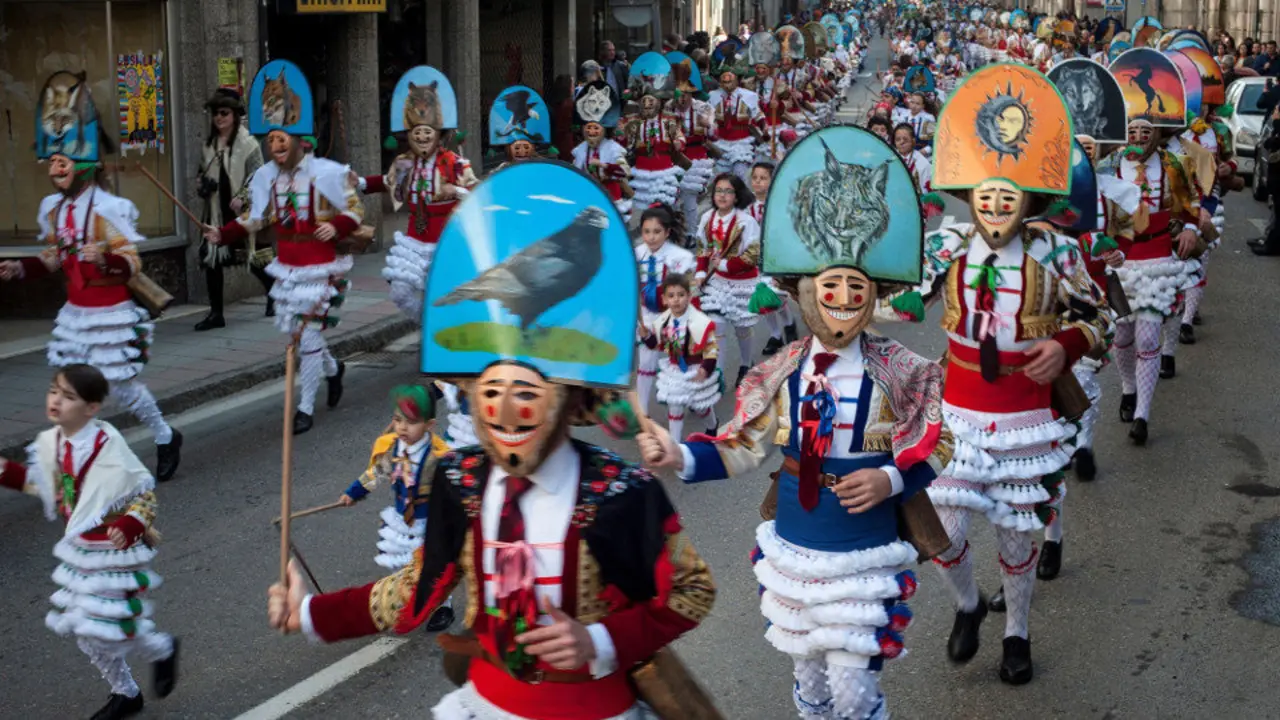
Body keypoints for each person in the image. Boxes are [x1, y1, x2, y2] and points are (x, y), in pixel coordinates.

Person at [266, 161, 717, 720]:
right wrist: (309, 614)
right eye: (489, 390)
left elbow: (690, 590)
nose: (504, 410)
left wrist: (598, 643)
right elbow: (416, 592)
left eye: (525, 392)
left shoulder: (621, 491)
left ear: (567, 399)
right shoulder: (460, 479)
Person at [639, 125, 952, 720]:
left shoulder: (904, 368)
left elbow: (943, 435)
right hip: (796, 542)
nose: (841, 295)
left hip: (865, 546)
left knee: (856, 692)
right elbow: (741, 444)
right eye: (828, 284)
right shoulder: (777, 370)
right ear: (805, 291)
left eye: (854, 285)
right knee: (809, 685)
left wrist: (890, 479)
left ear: (872, 295)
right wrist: (676, 455)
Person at [880, 65, 1112, 684]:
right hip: (957, 414)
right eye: (986, 190)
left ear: (1031, 198)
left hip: (1025, 419)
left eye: (1009, 192)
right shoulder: (948, 246)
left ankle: (1017, 634)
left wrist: (1067, 342)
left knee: (1016, 538)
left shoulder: (1055, 253)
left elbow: (1103, 319)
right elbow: (888, 292)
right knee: (940, 530)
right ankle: (967, 604)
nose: (996, 202)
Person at [1, 71, 182, 482]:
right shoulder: (53, 209)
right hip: (75, 314)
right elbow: (52, 258)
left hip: (110, 312)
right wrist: (20, 268)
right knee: (70, 390)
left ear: (83, 164)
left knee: (121, 390)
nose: (54, 169)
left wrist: (103, 259)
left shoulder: (108, 209)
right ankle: (77, 460)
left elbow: (131, 263)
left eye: (62, 162)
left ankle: (166, 435)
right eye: (51, 162)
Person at [1, 365, 179, 720]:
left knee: (108, 628)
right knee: (87, 629)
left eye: (69, 397)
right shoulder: (54, 444)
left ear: (91, 408)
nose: (56, 401)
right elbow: (45, 487)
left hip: (118, 553)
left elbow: (144, 496)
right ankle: (127, 691)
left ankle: (158, 652)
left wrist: (130, 523)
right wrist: (6, 471)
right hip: (82, 550)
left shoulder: (108, 448)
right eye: (54, 391)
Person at [203, 61, 361, 436]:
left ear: (300, 140)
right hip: (286, 267)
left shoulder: (324, 172)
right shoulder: (264, 178)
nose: (275, 146)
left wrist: (334, 225)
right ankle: (334, 370)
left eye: (282, 139)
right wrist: (221, 235)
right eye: (271, 139)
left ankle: (304, 407)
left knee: (305, 337)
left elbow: (356, 209)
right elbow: (255, 219)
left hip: (319, 267)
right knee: (301, 335)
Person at [1107, 119, 1202, 445]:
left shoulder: (1171, 164)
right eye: (1131, 131)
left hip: (1159, 259)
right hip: (1119, 261)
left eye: (1146, 132)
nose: (1138, 138)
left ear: (1157, 135)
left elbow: (1190, 202)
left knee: (1148, 339)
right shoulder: (1110, 163)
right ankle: (1128, 389)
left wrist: (1192, 228)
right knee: (1122, 334)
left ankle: (1142, 416)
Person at [358, 66, 478, 324]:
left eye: (427, 133)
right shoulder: (403, 162)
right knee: (401, 291)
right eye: (417, 134)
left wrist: (454, 190)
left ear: (438, 135)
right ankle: (430, 326)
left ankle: (442, 334)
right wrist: (357, 183)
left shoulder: (455, 162)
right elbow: (386, 182)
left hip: (446, 238)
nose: (422, 138)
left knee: (447, 292)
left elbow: (477, 193)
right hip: (415, 236)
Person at [338, 385, 456, 631]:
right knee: (405, 562)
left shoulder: (438, 456)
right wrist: (353, 492)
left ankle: (443, 607)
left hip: (429, 519)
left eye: (411, 422)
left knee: (432, 565)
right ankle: (411, 599)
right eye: (397, 420)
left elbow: (453, 486)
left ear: (429, 424)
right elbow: (377, 473)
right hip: (403, 518)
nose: (402, 427)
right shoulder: (392, 448)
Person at [194, 88, 271, 331]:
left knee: (254, 258)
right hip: (216, 211)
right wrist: (203, 186)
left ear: (235, 115)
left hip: (241, 211)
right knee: (211, 259)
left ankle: (275, 293)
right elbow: (201, 174)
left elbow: (259, 177)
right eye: (216, 113)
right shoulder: (209, 145)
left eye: (224, 113)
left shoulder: (249, 145)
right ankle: (216, 313)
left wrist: (243, 197)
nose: (219, 118)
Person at [696, 173, 762, 386]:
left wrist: (724, 265)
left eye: (728, 191)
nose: (722, 195)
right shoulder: (707, 218)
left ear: (736, 196)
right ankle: (718, 375)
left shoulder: (747, 222)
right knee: (718, 327)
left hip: (743, 283)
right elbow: (702, 247)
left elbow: (752, 255)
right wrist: (700, 272)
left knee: (742, 327)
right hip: (717, 283)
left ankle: (745, 363)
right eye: (719, 191)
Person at [639, 273, 721, 440]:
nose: (676, 300)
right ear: (664, 299)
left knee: (700, 406)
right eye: (671, 296)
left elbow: (711, 349)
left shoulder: (700, 322)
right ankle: (676, 446)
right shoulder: (662, 321)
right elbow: (657, 345)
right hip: (675, 368)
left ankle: (712, 426)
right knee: (674, 406)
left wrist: (705, 369)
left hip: (696, 368)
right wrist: (647, 336)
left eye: (681, 295)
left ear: (689, 297)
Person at [634, 203, 697, 413]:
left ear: (667, 232)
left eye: (657, 232)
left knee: (679, 365)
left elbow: (686, 291)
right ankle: (642, 413)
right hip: (646, 315)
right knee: (646, 362)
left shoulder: (680, 258)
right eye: (646, 232)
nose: (651, 237)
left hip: (673, 316)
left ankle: (700, 404)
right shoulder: (635, 254)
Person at [745, 161, 798, 355]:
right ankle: (775, 334)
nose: (758, 182)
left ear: (772, 180)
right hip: (757, 259)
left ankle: (789, 324)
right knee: (762, 298)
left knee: (776, 295)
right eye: (755, 178)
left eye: (763, 178)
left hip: (776, 257)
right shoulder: (747, 209)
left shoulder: (779, 206)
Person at [667, 60, 717, 242]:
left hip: (695, 158)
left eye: (686, 94)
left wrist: (708, 125)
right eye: (679, 94)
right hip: (672, 160)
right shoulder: (667, 108)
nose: (682, 98)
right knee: (670, 197)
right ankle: (674, 230)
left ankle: (691, 234)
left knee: (688, 197)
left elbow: (714, 134)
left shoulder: (703, 108)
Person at [707, 53, 762, 180]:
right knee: (720, 177)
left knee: (740, 174)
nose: (726, 85)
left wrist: (764, 130)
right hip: (720, 143)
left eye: (730, 81)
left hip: (742, 143)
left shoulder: (750, 96)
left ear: (737, 80)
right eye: (723, 82)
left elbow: (758, 116)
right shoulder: (713, 95)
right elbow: (709, 119)